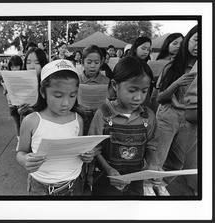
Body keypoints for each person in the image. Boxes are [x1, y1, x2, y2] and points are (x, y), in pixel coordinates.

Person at [16, 59, 95, 196]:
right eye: (58, 96)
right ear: (42, 92)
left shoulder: (78, 119)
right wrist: (24, 160)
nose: (66, 103)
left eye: (72, 95)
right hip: (40, 187)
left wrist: (87, 155)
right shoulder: (31, 121)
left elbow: (81, 149)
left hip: (74, 184)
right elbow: (21, 152)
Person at [88, 56, 160, 196]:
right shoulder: (103, 114)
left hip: (136, 180)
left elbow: (151, 145)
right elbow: (94, 148)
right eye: (132, 90)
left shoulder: (149, 116)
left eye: (144, 91)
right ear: (115, 85)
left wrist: (152, 163)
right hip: (106, 179)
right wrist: (108, 169)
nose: (138, 97)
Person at [154, 25, 198, 196]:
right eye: (195, 40)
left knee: (176, 162)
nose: (198, 45)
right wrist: (177, 82)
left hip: (189, 121)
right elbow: (160, 98)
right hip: (168, 116)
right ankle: (146, 187)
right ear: (188, 40)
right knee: (157, 157)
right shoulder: (171, 66)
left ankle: (161, 184)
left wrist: (182, 106)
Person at [149, 33, 184, 113]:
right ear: (167, 45)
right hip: (159, 102)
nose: (178, 46)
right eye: (175, 43)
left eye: (181, 44)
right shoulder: (156, 63)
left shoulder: (184, 64)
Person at [79, 45, 110, 135]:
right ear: (82, 62)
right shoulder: (76, 81)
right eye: (89, 62)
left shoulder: (106, 81)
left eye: (96, 62)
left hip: (101, 122)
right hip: (82, 121)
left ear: (101, 63)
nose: (93, 66)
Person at [17, 47, 48, 120]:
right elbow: (19, 110)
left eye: (37, 63)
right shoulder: (22, 84)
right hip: (28, 124)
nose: (31, 67)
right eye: (28, 62)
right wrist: (21, 111)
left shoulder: (48, 85)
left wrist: (32, 111)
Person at [2, 55, 23, 139]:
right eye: (12, 67)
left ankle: (25, 141)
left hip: (23, 104)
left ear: (21, 67)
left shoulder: (24, 76)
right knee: (17, 124)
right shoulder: (7, 77)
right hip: (12, 104)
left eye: (17, 67)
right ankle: (19, 141)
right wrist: (5, 90)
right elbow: (4, 92)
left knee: (25, 124)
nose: (14, 69)